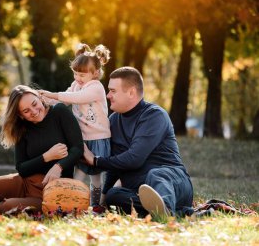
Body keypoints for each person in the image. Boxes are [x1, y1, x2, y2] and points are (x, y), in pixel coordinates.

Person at [82, 66, 194, 217]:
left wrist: (96, 161)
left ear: (131, 92)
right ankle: (175, 212)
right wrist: (103, 199)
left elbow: (135, 158)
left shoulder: (154, 116)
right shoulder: (113, 121)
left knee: (156, 175)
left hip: (173, 182)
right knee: (114, 196)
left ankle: (166, 210)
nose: (108, 95)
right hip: (140, 191)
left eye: (113, 91)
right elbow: (115, 167)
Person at [0, 85, 84, 213]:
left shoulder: (59, 112)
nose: (34, 111)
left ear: (39, 97)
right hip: (24, 182)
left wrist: (58, 166)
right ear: (20, 116)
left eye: (34, 104)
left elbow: (77, 148)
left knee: (3, 207)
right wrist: (47, 156)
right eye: (26, 111)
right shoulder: (22, 128)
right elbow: (21, 168)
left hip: (51, 192)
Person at [39, 43, 111, 207]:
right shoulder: (76, 85)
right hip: (82, 138)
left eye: (82, 75)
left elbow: (75, 98)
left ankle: (96, 204)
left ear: (95, 73)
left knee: (96, 176)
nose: (78, 78)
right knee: (79, 171)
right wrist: (44, 99)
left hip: (98, 137)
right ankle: (71, 202)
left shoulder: (96, 87)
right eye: (76, 74)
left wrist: (53, 94)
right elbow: (66, 97)